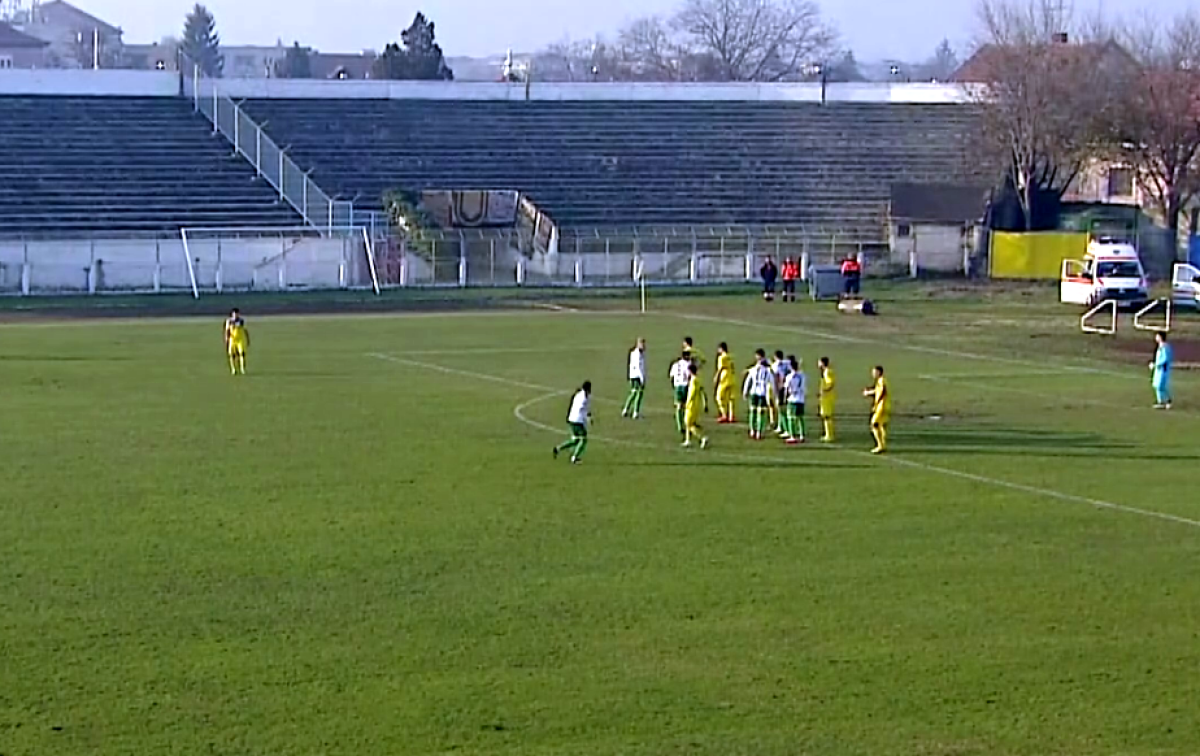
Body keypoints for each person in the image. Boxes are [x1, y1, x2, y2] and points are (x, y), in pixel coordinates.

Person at [553, 381, 592, 464]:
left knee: (575, 440)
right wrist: (588, 418)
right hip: (577, 421)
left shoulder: (579, 394)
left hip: (571, 419)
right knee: (583, 440)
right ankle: (574, 458)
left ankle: (558, 448)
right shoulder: (584, 398)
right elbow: (582, 409)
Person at [743, 351, 775, 440]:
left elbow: (748, 381)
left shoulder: (753, 370)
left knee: (752, 411)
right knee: (761, 413)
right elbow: (772, 382)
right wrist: (774, 393)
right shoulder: (767, 371)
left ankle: (752, 430)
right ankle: (759, 432)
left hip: (753, 392)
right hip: (762, 393)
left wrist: (745, 391)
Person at [862, 365, 891, 454]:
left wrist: (876, 401)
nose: (873, 374)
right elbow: (877, 391)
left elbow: (882, 391)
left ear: (879, 372)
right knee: (880, 425)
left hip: (881, 406)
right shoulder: (879, 381)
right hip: (881, 406)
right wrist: (869, 392)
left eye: (874, 372)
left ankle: (880, 446)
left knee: (874, 424)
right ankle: (882, 444)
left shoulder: (882, 380)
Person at [682, 362, 710, 449]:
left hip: (691, 405)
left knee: (688, 424)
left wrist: (687, 403)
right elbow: (702, 392)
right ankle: (687, 440)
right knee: (689, 423)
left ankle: (702, 438)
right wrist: (705, 403)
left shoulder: (693, 381)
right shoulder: (697, 380)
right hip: (696, 405)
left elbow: (692, 394)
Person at [782, 355, 807, 445]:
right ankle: (802, 435)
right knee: (800, 418)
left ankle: (792, 436)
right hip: (801, 399)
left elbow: (786, 388)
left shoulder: (789, 377)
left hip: (792, 398)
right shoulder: (803, 375)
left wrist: (785, 398)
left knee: (790, 418)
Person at [669, 351, 693, 438]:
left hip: (677, 386)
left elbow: (671, 376)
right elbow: (689, 376)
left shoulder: (675, 364)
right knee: (686, 406)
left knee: (679, 406)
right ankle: (686, 423)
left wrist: (673, 385)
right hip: (684, 386)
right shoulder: (687, 364)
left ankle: (680, 425)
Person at [622, 338, 646, 419]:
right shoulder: (637, 354)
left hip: (633, 375)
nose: (643, 346)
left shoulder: (636, 353)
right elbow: (638, 367)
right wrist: (642, 379)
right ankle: (635, 412)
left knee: (634, 392)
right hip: (637, 376)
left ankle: (626, 410)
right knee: (638, 393)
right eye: (642, 344)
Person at [714, 342, 737, 423]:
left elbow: (720, 368)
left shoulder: (721, 358)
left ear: (721, 348)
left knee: (718, 397)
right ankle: (732, 416)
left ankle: (724, 415)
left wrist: (716, 376)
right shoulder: (730, 357)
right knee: (731, 398)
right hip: (732, 378)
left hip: (724, 378)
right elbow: (733, 367)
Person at [1150, 331, 1173, 409]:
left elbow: (1165, 359)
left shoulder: (1165, 347)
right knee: (1157, 385)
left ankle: (1165, 401)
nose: (1156, 338)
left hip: (1163, 369)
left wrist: (1156, 365)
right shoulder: (1160, 346)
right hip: (1158, 369)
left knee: (1160, 385)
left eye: (1157, 336)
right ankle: (1162, 401)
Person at [223, 308, 249, 376]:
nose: (236, 315)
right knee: (231, 355)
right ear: (232, 314)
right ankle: (233, 369)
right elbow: (227, 331)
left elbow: (245, 330)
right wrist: (226, 339)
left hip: (240, 339)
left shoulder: (241, 321)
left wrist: (247, 338)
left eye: (237, 314)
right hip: (232, 339)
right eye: (234, 314)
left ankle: (242, 368)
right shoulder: (229, 321)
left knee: (242, 354)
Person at [818, 356, 836, 442]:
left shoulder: (827, 372)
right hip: (825, 397)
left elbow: (830, 384)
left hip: (827, 397)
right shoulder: (825, 372)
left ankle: (829, 435)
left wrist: (824, 391)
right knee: (825, 416)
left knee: (827, 416)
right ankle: (827, 434)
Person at [770, 350, 788, 435]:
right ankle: (780, 426)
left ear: (775, 357)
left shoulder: (775, 366)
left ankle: (785, 429)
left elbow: (776, 378)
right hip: (787, 387)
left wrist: (776, 390)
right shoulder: (787, 363)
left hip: (780, 388)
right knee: (783, 408)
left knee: (781, 409)